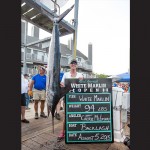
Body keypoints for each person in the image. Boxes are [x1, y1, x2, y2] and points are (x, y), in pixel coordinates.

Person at [57, 59, 83, 142]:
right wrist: (62, 84)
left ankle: (77, 131)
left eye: (75, 63)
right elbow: (61, 83)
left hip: (78, 98)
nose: (73, 64)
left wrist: (82, 80)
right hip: (67, 97)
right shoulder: (66, 74)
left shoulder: (80, 74)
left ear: (77, 65)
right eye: (72, 63)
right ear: (69, 65)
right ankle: (63, 132)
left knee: (78, 115)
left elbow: (83, 84)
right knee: (66, 115)